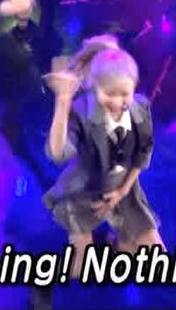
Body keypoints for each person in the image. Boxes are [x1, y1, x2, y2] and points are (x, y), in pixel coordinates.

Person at [42, 35, 164, 280]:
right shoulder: (81, 112)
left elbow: (142, 155)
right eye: (109, 92)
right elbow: (57, 153)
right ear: (95, 84)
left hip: (123, 190)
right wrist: (62, 101)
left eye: (124, 93)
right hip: (85, 191)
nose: (118, 102)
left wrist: (121, 192)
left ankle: (112, 245)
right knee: (79, 267)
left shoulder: (140, 109)